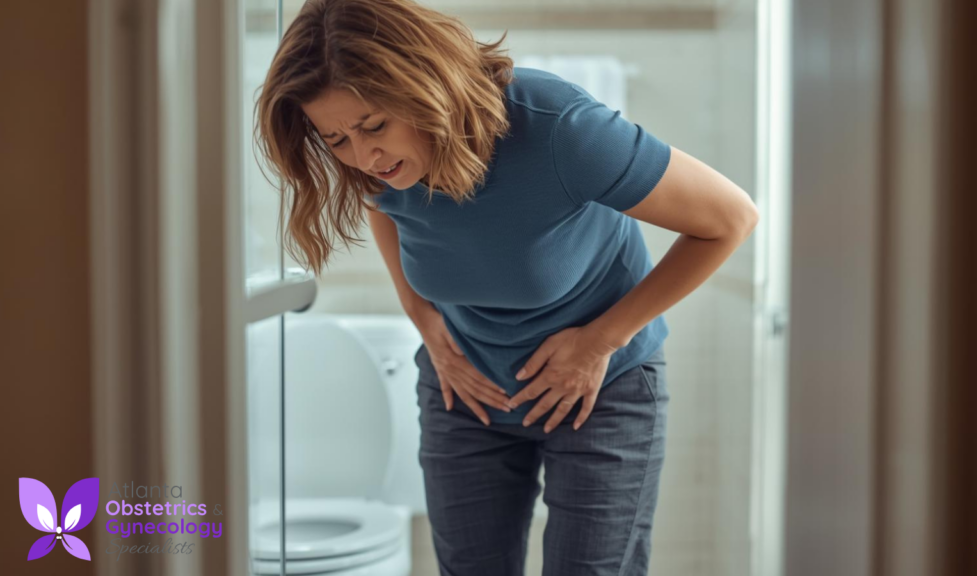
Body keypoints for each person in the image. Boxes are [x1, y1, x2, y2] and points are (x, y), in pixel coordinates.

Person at [254, 1, 758, 574]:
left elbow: (730, 220)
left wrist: (598, 343)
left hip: (601, 389)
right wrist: (426, 325)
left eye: (374, 126)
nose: (364, 157)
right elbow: (388, 212)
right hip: (466, 391)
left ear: (427, 86)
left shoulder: (560, 128)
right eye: (336, 139)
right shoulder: (375, 165)